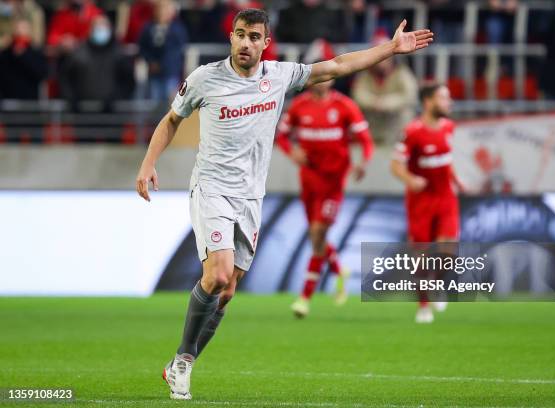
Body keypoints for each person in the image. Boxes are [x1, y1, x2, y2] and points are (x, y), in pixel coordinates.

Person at [136, 8, 433, 400]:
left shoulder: (278, 76)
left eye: (254, 37)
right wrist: (148, 163)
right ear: (231, 37)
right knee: (219, 274)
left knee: (227, 293)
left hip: (251, 198)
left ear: (265, 42)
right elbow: (171, 119)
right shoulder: (205, 78)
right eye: (240, 34)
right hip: (212, 189)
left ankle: (180, 362)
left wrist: (390, 49)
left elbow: (339, 65)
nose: (245, 43)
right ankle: (185, 363)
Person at [276, 72, 374, 318]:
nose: (322, 79)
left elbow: (365, 139)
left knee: (318, 234)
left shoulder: (344, 106)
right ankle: (339, 270)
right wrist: (293, 152)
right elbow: (282, 136)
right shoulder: (299, 106)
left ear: (332, 80)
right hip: (309, 181)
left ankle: (304, 298)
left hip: (333, 183)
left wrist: (363, 162)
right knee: (315, 235)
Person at [391, 83, 463, 324]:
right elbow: (395, 165)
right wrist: (411, 179)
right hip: (420, 201)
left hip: (445, 198)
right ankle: (423, 305)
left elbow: (447, 160)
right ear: (428, 102)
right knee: (421, 255)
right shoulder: (413, 132)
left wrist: (457, 181)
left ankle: (436, 284)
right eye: (444, 98)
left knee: (448, 250)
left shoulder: (449, 128)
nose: (449, 103)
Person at [352, 32, 419, 145]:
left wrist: (385, 103)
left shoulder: (402, 73)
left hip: (397, 133)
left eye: (385, 56)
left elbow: (409, 96)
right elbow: (358, 95)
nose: (382, 61)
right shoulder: (365, 75)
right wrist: (374, 102)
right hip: (372, 132)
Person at [59, 14, 134, 110]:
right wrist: (72, 99)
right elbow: (65, 78)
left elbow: (128, 82)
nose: (101, 30)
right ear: (91, 29)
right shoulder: (78, 53)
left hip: (111, 116)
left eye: (104, 26)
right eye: (97, 27)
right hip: (82, 114)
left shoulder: (119, 54)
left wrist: (116, 99)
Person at [138, 0, 188, 102]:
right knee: (153, 102)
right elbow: (143, 47)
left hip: (171, 73)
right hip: (154, 74)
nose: (162, 12)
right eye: (160, 9)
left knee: (170, 104)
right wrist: (151, 61)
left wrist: (163, 64)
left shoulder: (177, 29)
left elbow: (177, 50)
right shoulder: (148, 28)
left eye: (166, 9)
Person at [0, 18, 47, 99]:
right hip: (8, 100)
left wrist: (24, 56)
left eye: (23, 29)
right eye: (17, 29)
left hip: (29, 101)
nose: (20, 33)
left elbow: (41, 73)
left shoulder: (36, 52)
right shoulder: (6, 54)